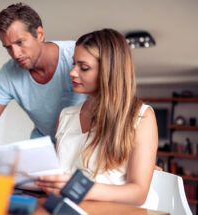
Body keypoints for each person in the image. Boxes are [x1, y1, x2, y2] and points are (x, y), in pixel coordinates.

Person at [35, 29, 158, 206]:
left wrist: (84, 189)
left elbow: (138, 193)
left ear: (109, 71)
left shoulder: (141, 117)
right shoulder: (65, 117)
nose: (72, 72)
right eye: (73, 64)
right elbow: (60, 175)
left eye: (84, 67)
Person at [0, 3, 85, 150]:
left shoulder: (77, 56)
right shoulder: (8, 74)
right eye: (8, 47)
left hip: (83, 145)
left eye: (20, 42)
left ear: (40, 35)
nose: (16, 54)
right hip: (45, 148)